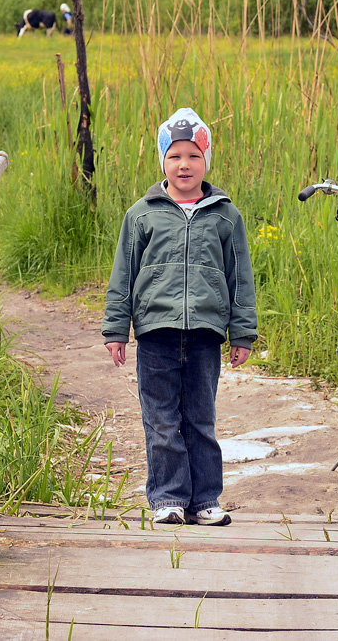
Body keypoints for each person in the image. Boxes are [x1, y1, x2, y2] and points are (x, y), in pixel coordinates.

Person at [102, 107, 257, 527]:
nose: (184, 164)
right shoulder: (143, 214)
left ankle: (205, 499)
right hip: (156, 333)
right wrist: (117, 327)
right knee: (162, 420)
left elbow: (240, 277)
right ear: (162, 162)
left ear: (206, 159)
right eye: (174, 156)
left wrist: (242, 332)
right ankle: (168, 498)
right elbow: (123, 274)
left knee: (200, 420)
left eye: (192, 155)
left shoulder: (225, 215)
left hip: (206, 334)